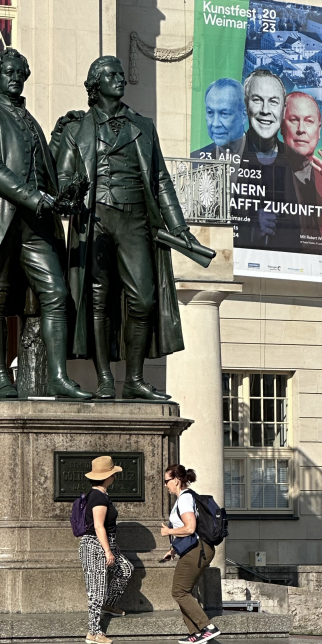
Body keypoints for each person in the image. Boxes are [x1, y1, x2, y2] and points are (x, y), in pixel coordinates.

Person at [55, 55, 203, 401]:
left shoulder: (143, 126)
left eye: (121, 74)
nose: (120, 79)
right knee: (98, 300)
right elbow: (63, 180)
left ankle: (134, 379)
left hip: (136, 218)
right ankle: (106, 377)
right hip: (97, 220)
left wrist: (178, 226)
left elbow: (161, 179)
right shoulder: (77, 130)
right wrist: (73, 192)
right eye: (111, 75)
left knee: (144, 298)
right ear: (95, 85)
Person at [0, 47, 91, 401]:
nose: (16, 78)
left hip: (36, 223)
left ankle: (59, 377)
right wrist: (34, 197)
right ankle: (2, 377)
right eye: (10, 73)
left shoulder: (30, 121)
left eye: (21, 73)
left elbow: (45, 171)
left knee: (56, 294)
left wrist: (62, 145)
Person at [234, 70, 301, 251]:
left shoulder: (299, 165)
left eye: (273, 102)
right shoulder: (225, 159)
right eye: (257, 100)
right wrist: (251, 231)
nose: (265, 110)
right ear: (245, 105)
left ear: (284, 110)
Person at [160, 464, 221, 644]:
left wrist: (169, 531)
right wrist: (173, 550)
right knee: (184, 591)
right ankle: (196, 633)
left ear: (176, 481)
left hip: (197, 551)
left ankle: (207, 627)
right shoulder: (187, 498)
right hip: (196, 549)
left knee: (179, 591)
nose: (165, 485)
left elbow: (190, 528)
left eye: (166, 481)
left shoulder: (185, 499)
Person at [79, 455, 133, 644]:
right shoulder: (98, 496)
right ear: (108, 477)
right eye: (113, 474)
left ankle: (109, 604)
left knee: (125, 570)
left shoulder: (101, 494)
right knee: (96, 590)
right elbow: (99, 526)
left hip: (105, 543)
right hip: (95, 545)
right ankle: (93, 632)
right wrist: (108, 551)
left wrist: (112, 547)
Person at [280, 92, 322, 255]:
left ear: (319, 130)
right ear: (281, 127)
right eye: (293, 120)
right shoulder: (267, 173)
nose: (301, 130)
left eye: (309, 122)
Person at [191, 78, 247, 163]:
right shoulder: (195, 159)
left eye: (224, 113)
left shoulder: (267, 160)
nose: (215, 123)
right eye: (210, 112)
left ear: (244, 116)